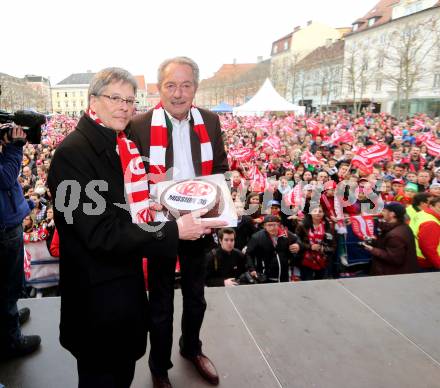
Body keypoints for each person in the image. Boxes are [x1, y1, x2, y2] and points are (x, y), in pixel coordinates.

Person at [47, 67, 224, 388]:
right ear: (93, 101)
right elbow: (98, 234)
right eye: (115, 98)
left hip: (120, 297)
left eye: (129, 100)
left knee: (122, 375)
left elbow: (114, 209)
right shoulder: (72, 154)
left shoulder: (120, 146)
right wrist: (171, 231)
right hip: (96, 306)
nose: (124, 106)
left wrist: (147, 206)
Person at [129, 57, 228, 388]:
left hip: (200, 223)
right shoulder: (140, 125)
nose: (178, 93)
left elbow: (222, 168)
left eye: (186, 85)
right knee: (160, 301)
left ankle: (192, 349)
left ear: (196, 88)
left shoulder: (212, 122)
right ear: (160, 88)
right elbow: (132, 178)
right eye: (171, 85)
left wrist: (224, 201)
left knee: (197, 296)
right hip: (162, 225)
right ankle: (159, 367)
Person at [0, 125, 41, 361]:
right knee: (7, 285)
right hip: (4, 229)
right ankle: (11, 341)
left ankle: (11, 316)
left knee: (10, 284)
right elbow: (5, 179)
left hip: (7, 222)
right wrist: (15, 149)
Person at [362, 202, 418, 276]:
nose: (382, 213)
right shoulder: (401, 227)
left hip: (394, 275)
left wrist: (372, 249)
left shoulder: (395, 235)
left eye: (384, 211)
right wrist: (373, 242)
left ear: (392, 214)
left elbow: (395, 259)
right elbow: (387, 244)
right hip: (394, 272)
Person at [246, 215, 301, 283]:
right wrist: (252, 269)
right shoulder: (257, 237)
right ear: (264, 226)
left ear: (278, 225)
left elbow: (298, 240)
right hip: (264, 276)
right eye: (269, 225)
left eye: (274, 225)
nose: (272, 228)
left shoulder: (285, 234)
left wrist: (298, 245)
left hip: (283, 276)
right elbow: (248, 254)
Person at [412, 196, 440, 271]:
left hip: (417, 258)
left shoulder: (422, 213)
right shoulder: (431, 223)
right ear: (431, 206)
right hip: (429, 264)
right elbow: (428, 249)